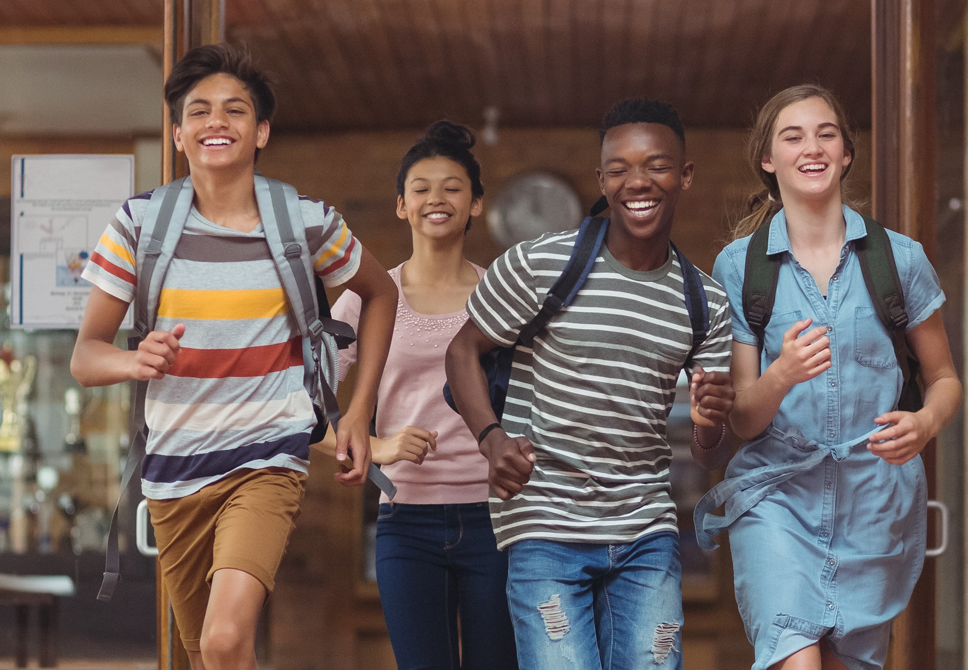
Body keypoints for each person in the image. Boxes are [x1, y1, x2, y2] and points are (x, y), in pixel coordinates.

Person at [70, 44, 400, 670]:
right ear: (178, 134)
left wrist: (358, 414)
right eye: (199, 111)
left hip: (266, 458)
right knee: (212, 656)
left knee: (223, 641)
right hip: (173, 474)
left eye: (235, 110)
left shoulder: (304, 223)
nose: (216, 122)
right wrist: (133, 361)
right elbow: (85, 358)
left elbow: (381, 294)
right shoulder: (139, 226)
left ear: (262, 131)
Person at [444, 98, 737, 670]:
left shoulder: (706, 302)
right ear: (602, 178)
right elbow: (462, 350)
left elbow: (708, 454)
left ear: (685, 175)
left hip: (645, 529)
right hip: (544, 523)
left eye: (656, 165)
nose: (638, 181)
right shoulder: (540, 264)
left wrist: (709, 423)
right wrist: (492, 439)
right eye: (620, 168)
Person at [701, 84, 962, 670]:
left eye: (826, 133)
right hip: (777, 495)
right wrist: (783, 376)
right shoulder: (740, 266)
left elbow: (945, 378)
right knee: (797, 658)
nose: (811, 147)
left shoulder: (900, 260)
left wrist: (924, 423)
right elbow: (743, 416)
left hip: (874, 503)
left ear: (847, 152)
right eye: (792, 137)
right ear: (768, 160)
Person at [330, 120, 517, 670]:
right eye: (421, 188)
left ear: (476, 205)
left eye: (453, 187)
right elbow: (298, 402)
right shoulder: (366, 300)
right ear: (401, 206)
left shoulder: (503, 297)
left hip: (497, 520)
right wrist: (372, 444)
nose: (437, 198)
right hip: (405, 523)